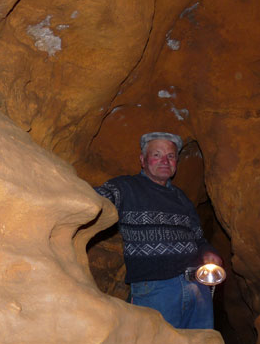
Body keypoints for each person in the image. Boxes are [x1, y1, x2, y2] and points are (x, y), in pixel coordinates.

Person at [94, 132, 223, 329]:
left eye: (170, 156)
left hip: (198, 288)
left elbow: (198, 238)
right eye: (157, 154)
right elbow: (95, 198)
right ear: (142, 160)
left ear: (176, 162)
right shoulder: (126, 188)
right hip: (156, 290)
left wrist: (208, 251)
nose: (164, 161)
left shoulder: (181, 198)